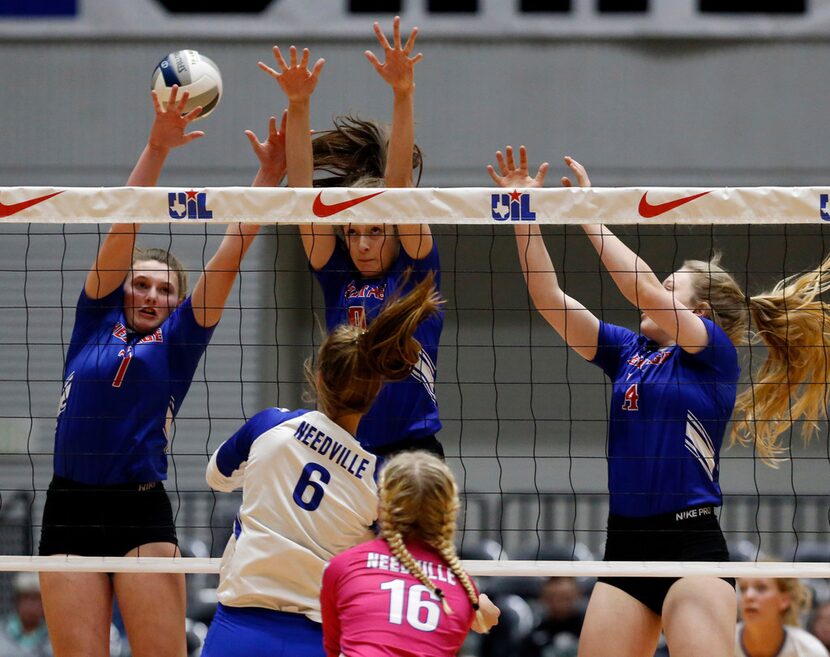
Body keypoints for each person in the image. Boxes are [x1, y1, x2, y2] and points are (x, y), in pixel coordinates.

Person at [487, 145, 830, 657]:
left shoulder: (713, 355)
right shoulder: (629, 350)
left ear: (702, 312)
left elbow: (642, 288)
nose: (659, 294)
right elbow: (550, 299)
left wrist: (590, 214)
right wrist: (524, 215)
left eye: (673, 289)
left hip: (689, 546)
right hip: (624, 546)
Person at [38, 86, 268, 657]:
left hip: (139, 510)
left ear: (176, 302)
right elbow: (124, 223)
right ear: (122, 292)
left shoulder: (179, 340)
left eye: (164, 289)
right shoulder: (94, 318)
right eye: (140, 283)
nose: (149, 293)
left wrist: (269, 183)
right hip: (68, 506)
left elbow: (233, 249)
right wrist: (157, 147)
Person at [200, 275, 444, 657]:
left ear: (318, 376)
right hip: (318, 636)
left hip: (240, 624)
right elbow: (401, 558)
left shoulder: (270, 425)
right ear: (375, 392)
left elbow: (217, 477)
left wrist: (270, 475)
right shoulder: (377, 479)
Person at [257, 16, 444, 458]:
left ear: (397, 232)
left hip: (411, 453)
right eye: (353, 232)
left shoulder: (416, 272)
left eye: (376, 231)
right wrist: (298, 105)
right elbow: (304, 198)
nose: (361, 244)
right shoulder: (338, 277)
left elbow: (398, 187)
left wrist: (403, 93)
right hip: (345, 451)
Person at [320, 450, 500, 657]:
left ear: (382, 504)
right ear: (450, 510)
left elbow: (333, 649)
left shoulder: (344, 565)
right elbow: (490, 618)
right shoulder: (463, 588)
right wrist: (478, 604)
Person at [737, 576, 829, 657]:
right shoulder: (724, 641)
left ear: (784, 600)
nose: (748, 596)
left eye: (761, 588)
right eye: (743, 589)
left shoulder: (811, 650)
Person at [518, 577, 586, 657]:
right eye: (552, 598)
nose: (559, 603)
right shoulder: (534, 635)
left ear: (578, 595)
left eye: (565, 597)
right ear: (543, 598)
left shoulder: (590, 629)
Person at [0, 573, 52, 657]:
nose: (30, 605)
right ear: (16, 601)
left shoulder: (54, 638)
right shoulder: (2, 634)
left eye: (35, 599)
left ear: (44, 603)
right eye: (25, 597)